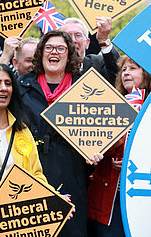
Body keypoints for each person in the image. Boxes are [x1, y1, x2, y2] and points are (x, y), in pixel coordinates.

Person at [18, 30, 102, 237]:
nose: (54, 52)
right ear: (41, 53)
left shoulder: (86, 86)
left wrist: (99, 148)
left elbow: (100, 128)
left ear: (69, 54)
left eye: (60, 48)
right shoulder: (21, 87)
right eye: (49, 47)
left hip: (72, 173)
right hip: (32, 173)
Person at [0, 63, 57, 234]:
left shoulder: (23, 129)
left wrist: (53, 200)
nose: (3, 88)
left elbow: (36, 174)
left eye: (8, 83)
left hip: (19, 223)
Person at [87, 56, 151, 236]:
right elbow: (93, 145)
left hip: (143, 195)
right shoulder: (108, 105)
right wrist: (111, 149)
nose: (126, 73)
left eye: (133, 68)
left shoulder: (149, 109)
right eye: (123, 70)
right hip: (110, 199)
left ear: (146, 73)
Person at [59, 17, 119, 85]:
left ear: (87, 43)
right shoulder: (50, 66)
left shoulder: (98, 64)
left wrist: (104, 40)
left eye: (78, 35)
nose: (73, 40)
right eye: (67, 36)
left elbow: (118, 78)